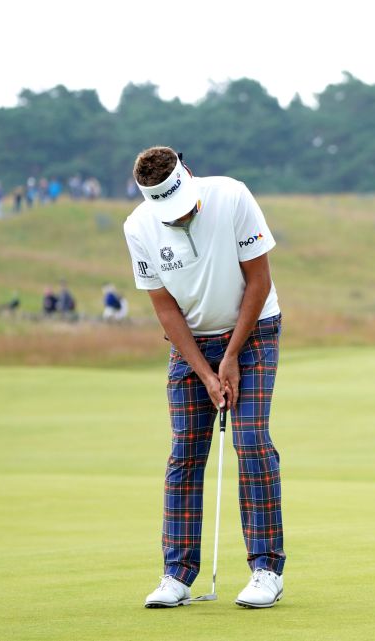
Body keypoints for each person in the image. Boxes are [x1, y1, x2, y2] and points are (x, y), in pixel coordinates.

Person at [123, 146, 284, 609]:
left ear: (188, 175)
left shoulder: (232, 197)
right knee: (185, 454)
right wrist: (205, 371)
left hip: (254, 332)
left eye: (184, 203)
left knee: (251, 441)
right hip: (190, 342)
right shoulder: (138, 227)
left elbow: (259, 279)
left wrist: (231, 355)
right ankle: (177, 574)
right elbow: (164, 309)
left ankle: (266, 570)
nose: (182, 215)